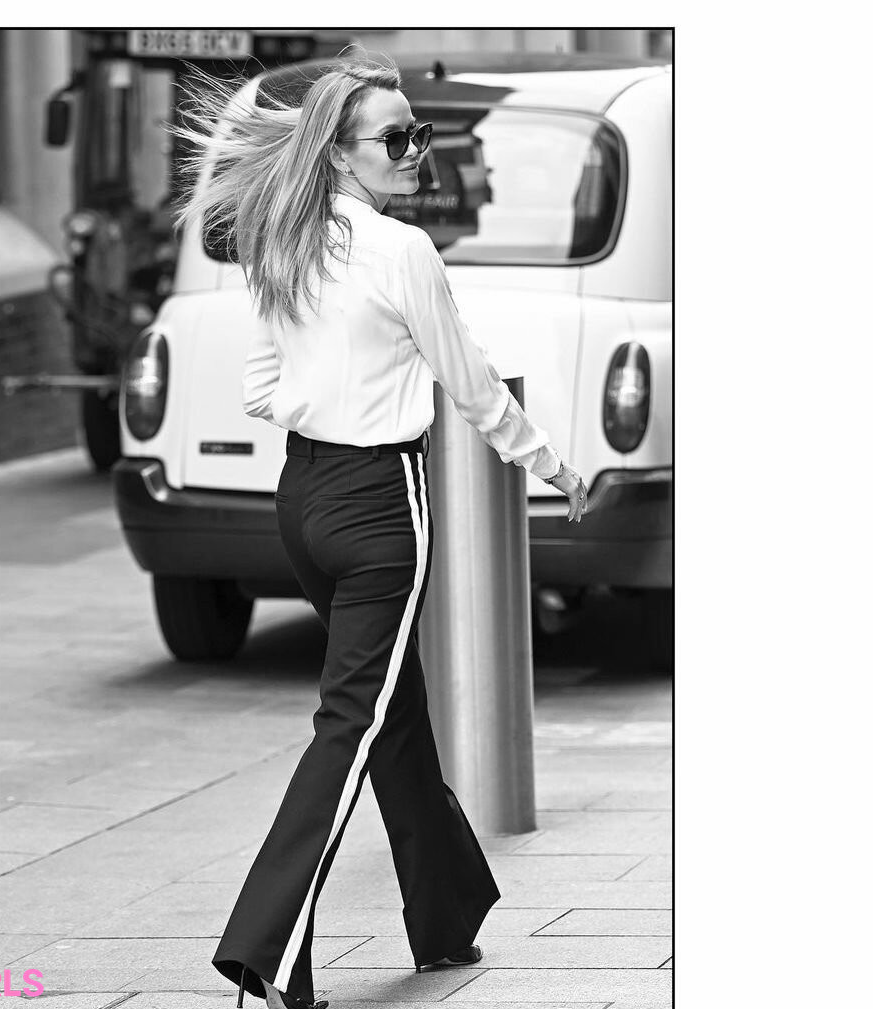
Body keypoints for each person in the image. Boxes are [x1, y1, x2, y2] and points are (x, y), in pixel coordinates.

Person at [170, 54, 588, 1009]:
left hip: (303, 500)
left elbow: (261, 389)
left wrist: (326, 400)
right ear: (339, 152)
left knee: (391, 710)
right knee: (353, 722)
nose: (413, 152)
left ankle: (446, 914)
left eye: (417, 133)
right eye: (394, 138)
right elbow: (470, 382)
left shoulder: (285, 239)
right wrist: (551, 464)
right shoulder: (402, 251)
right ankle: (267, 950)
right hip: (380, 507)